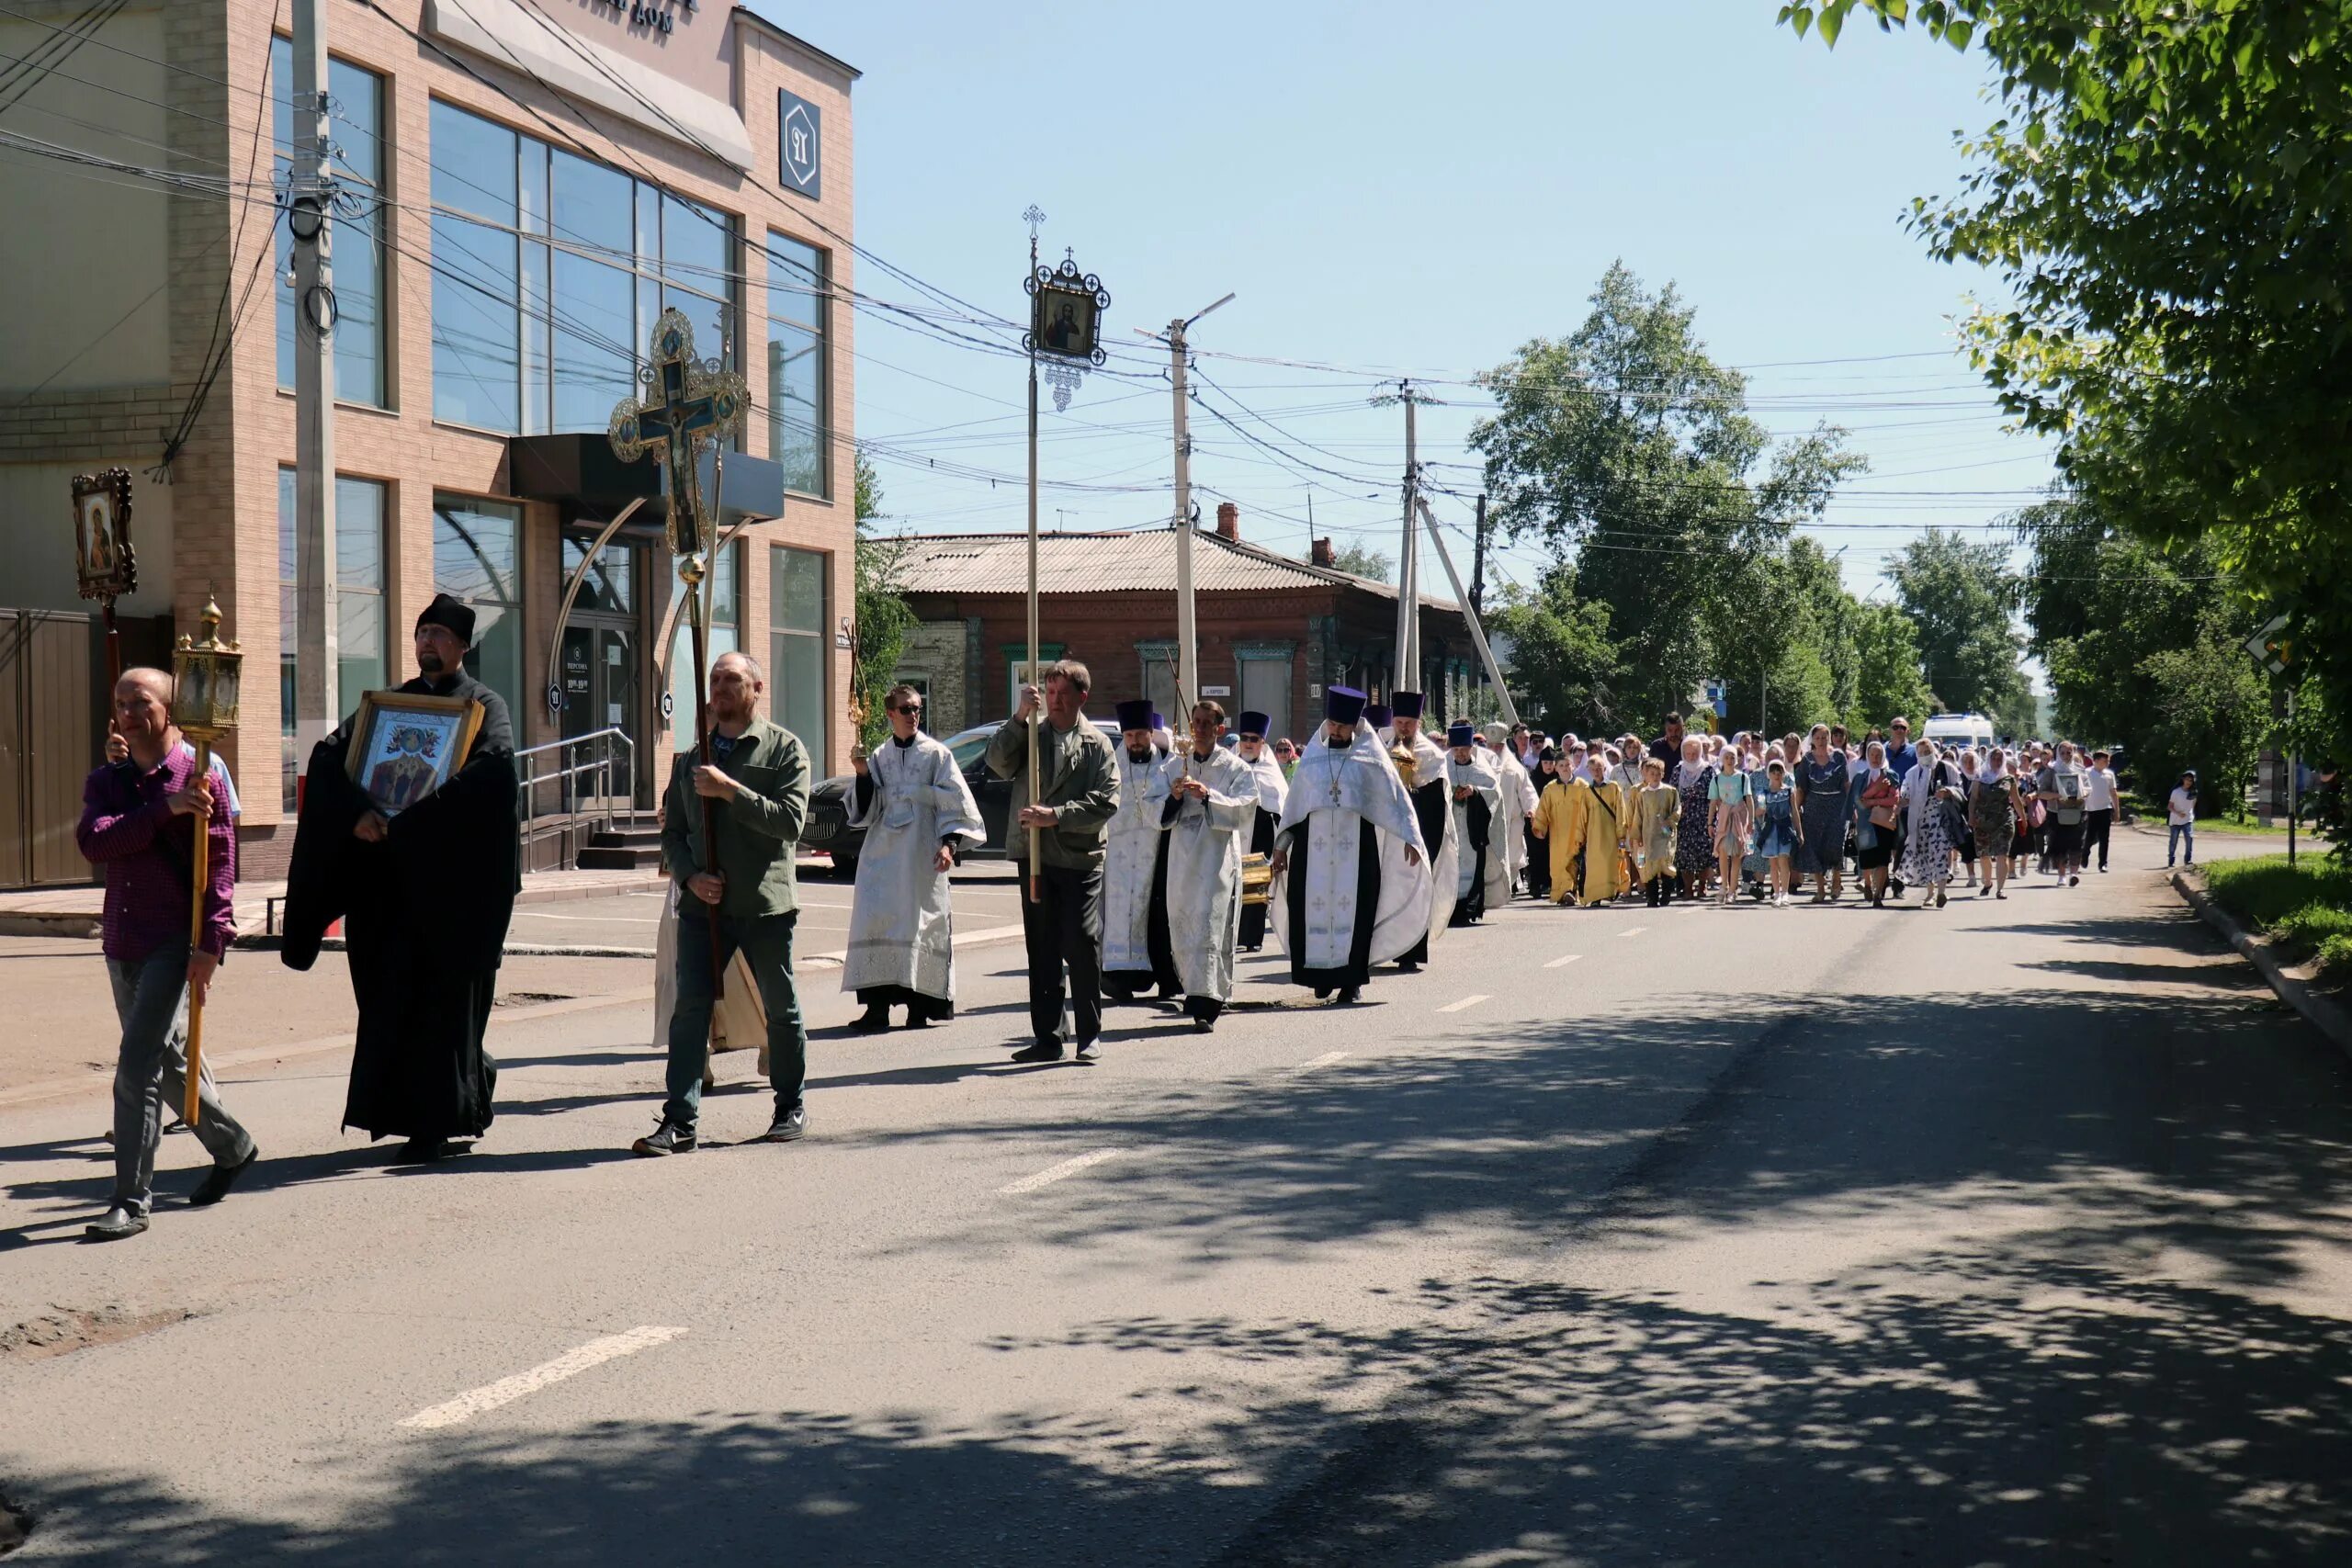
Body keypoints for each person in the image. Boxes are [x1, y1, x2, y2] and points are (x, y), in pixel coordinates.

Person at [283, 593, 518, 1163]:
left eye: (441, 634)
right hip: (387, 892)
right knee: (390, 1001)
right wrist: (355, 815)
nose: (428, 643)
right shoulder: (389, 707)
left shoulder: (484, 706)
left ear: (462, 646)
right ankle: (402, 1112)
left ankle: (438, 1122)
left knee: (445, 1008)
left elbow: (493, 776)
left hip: (450, 895)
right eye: (422, 633)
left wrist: (409, 823)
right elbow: (326, 758)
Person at [75, 669, 259, 1241]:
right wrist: (162, 811)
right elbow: (95, 842)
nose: (131, 711)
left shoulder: (201, 775)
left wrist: (212, 945)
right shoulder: (109, 781)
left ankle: (130, 1200)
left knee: (135, 1069)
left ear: (171, 707)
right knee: (172, 1061)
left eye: (142, 701)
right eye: (121, 701)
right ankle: (234, 1146)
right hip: (121, 941)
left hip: (172, 943)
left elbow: (222, 867)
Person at [628, 651, 813, 1154]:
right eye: (715, 680)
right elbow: (674, 833)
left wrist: (732, 790)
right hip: (702, 909)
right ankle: (679, 1122)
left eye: (733, 680)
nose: (722, 688)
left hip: (763, 905)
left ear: (757, 688)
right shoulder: (692, 758)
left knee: (781, 1009)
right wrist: (690, 877)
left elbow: (791, 823)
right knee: (689, 1012)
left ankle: (789, 1104)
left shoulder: (784, 751)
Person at [989, 660, 1118, 1063]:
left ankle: (1089, 1034)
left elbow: (1107, 801)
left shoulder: (1097, 744)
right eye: (1049, 692)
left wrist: (1057, 814)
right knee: (1041, 947)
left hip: (1080, 857)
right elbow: (997, 762)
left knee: (1081, 942)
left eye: (1063, 693)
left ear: (1082, 695)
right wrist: (1018, 717)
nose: (1055, 701)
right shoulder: (1030, 736)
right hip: (1036, 855)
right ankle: (1048, 1037)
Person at [1267, 687, 1428, 1004]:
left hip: (1357, 854)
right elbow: (1295, 810)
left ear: (1354, 725)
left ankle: (1350, 981)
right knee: (1309, 912)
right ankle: (1319, 976)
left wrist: (1410, 838)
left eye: (1342, 725)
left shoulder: (1370, 759)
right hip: (1312, 854)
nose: (1336, 730)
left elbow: (1394, 801)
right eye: (1332, 724)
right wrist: (1281, 847)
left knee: (1357, 914)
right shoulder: (1312, 759)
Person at [842, 684, 984, 1032]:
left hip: (922, 857)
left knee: (921, 925)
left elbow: (957, 802)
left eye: (917, 708)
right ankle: (876, 1010)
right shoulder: (878, 757)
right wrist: (862, 774)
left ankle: (919, 1008)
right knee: (876, 922)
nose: (913, 714)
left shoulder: (937, 755)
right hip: (882, 857)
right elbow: (864, 810)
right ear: (891, 714)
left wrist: (949, 844)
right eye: (905, 709)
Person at [1158, 702, 1259, 1030]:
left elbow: (1246, 807)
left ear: (1218, 728)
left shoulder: (1234, 768)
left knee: (1211, 926)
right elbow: (1152, 809)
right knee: (1184, 923)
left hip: (1216, 859)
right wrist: (1173, 797)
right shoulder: (1175, 764)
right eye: (1196, 722)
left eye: (1207, 724)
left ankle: (1209, 1002)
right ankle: (1192, 991)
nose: (1200, 728)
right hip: (1182, 858)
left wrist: (1209, 796)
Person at [1099, 699, 1179, 1005]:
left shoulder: (1169, 766)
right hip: (1118, 856)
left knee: (1159, 916)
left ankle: (1167, 979)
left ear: (1150, 732)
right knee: (1118, 916)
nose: (1134, 741)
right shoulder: (1111, 768)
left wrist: (1173, 799)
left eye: (1140, 735)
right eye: (1129, 735)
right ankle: (1119, 979)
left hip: (1156, 853)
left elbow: (1174, 805)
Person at [1385, 693, 1455, 969]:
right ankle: (1380, 949)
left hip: (1417, 838)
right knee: (1386, 893)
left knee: (1415, 894)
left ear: (1419, 723)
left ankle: (1410, 955)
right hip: (1387, 836)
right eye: (1399, 722)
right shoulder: (1381, 750)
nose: (1404, 728)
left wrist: (1420, 842)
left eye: (1409, 723)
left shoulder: (1432, 757)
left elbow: (1435, 808)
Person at [1233, 711, 1288, 952]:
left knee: (1255, 884)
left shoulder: (1270, 770)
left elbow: (1280, 801)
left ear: (1262, 743)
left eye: (1254, 739)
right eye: (1245, 737)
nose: (1248, 743)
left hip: (1260, 832)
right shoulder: (1230, 765)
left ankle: (1251, 937)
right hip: (1233, 831)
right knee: (1232, 884)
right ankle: (1232, 934)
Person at [1446, 723, 1506, 924]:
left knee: (1472, 869)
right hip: (1452, 828)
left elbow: (1494, 792)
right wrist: (1451, 792)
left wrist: (1475, 791)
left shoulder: (1480, 768)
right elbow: (1438, 789)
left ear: (1471, 748)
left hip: (1473, 829)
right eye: (1456, 750)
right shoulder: (1444, 767)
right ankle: (1450, 910)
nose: (1460, 754)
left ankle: (1468, 910)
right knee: (1451, 868)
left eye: (1464, 750)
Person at [1558, 750, 1629, 908]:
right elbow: (1582, 815)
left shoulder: (1613, 788)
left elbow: (1620, 811)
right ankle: (1595, 896)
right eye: (1593, 769)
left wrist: (1621, 833)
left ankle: (1609, 892)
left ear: (1604, 769)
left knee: (1609, 863)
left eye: (1599, 768)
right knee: (1594, 865)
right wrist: (1579, 836)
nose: (1596, 772)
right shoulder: (1587, 791)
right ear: (1589, 771)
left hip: (1610, 832)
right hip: (1593, 834)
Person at [1899, 739, 1963, 908]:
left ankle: (1941, 892)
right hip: (1921, 819)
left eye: (1926, 751)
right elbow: (1905, 791)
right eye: (1920, 753)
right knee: (1925, 854)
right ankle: (1930, 893)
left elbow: (1959, 786)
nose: (1924, 755)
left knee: (1941, 851)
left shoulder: (1946, 768)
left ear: (1933, 751)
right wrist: (1903, 799)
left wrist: (1948, 792)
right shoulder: (1912, 773)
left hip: (1941, 817)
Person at [1793, 725, 1849, 904]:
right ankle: (1819, 888)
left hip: (1836, 806)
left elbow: (1846, 784)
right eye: (1817, 738)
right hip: (1814, 806)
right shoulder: (1807, 760)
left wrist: (1852, 807)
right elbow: (1801, 788)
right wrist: (1795, 811)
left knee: (1835, 844)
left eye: (1824, 737)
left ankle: (1836, 879)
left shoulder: (1839, 757)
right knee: (1812, 846)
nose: (1821, 741)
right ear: (1812, 740)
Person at [1483, 722, 1538, 899]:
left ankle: (1505, 890)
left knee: (1511, 858)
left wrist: (1532, 809)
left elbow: (1527, 790)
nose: (1493, 750)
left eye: (1497, 746)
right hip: (1485, 820)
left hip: (1510, 821)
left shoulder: (1514, 768)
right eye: (1490, 746)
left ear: (1503, 746)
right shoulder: (1480, 763)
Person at [1971, 747, 2026, 900]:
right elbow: (1974, 799)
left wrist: (2023, 818)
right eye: (1994, 758)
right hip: (1983, 821)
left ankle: (2000, 889)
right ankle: (1988, 883)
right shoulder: (1980, 777)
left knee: (2002, 854)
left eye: (1999, 759)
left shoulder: (2008, 779)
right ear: (1988, 760)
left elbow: (2016, 800)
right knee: (1984, 855)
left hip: (2004, 820)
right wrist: (1971, 816)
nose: (1996, 761)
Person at [2035, 741, 2089, 887]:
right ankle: (2061, 875)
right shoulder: (2051, 770)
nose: (2066, 755)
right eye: (2063, 752)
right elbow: (2041, 793)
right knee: (2059, 845)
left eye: (2069, 752)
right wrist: (2057, 795)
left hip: (2077, 812)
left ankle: (2073, 874)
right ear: (2058, 753)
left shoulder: (2080, 769)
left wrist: (2081, 793)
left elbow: (2088, 788)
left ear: (2073, 752)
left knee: (2077, 844)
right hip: (2056, 813)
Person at [1853, 740, 1900, 908]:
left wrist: (1872, 800)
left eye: (1879, 754)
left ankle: (1878, 894)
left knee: (1882, 860)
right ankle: (1867, 884)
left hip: (1884, 822)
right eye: (1872, 754)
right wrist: (1878, 788)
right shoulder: (1861, 777)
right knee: (1866, 858)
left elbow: (1894, 799)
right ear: (1867, 756)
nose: (1875, 758)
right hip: (1866, 823)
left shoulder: (1892, 775)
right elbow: (1859, 802)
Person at [1631, 755, 1679, 908]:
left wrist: (1670, 821)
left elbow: (1677, 809)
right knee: (1649, 865)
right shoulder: (1643, 794)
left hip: (1665, 834)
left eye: (1659, 773)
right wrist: (1637, 835)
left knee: (1665, 862)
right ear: (1646, 775)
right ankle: (1652, 897)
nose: (1655, 777)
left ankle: (1666, 894)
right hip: (1648, 834)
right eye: (1652, 773)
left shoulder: (1670, 791)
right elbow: (1638, 815)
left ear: (1663, 774)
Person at [1672, 737, 1715, 903]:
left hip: (1703, 817)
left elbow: (1713, 795)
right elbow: (1673, 793)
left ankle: (1702, 884)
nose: (1691, 756)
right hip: (1683, 819)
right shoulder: (1678, 770)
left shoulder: (1708, 770)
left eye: (1694, 753)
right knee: (1684, 855)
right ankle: (1688, 887)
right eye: (1688, 753)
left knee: (1704, 854)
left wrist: (1712, 819)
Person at [1709, 746, 1753, 908]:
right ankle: (1724, 886)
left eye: (1733, 757)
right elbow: (1713, 802)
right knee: (1722, 852)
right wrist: (1710, 823)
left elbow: (1749, 799)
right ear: (1722, 759)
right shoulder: (1716, 779)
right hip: (1724, 820)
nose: (1730, 760)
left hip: (1739, 819)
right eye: (1727, 757)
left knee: (1736, 855)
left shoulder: (1743, 778)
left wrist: (1751, 822)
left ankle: (1732, 890)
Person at [1883, 716, 1917, 898]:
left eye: (1902, 728)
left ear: (1907, 731)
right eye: (1896, 727)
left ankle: (1898, 883)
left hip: (1905, 806)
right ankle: (1879, 883)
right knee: (1884, 844)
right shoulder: (1881, 751)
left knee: (1902, 843)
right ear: (1890, 729)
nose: (1899, 730)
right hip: (1884, 804)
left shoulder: (1913, 752)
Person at [1756, 759, 1797, 906]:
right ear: (1769, 774)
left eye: (1779, 771)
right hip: (1770, 830)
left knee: (1783, 860)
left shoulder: (1789, 791)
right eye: (1773, 771)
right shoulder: (1764, 793)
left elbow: (1795, 812)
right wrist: (1758, 811)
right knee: (1773, 863)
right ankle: (1776, 893)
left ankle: (1785, 893)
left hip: (1785, 828)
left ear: (1783, 773)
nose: (1776, 774)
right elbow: (1759, 810)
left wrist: (1799, 832)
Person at [1523, 745, 1560, 901]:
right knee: (1537, 854)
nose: (1549, 766)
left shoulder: (1558, 780)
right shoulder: (1534, 778)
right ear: (1541, 763)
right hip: (1537, 821)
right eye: (1545, 763)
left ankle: (1552, 883)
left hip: (1555, 822)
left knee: (1552, 853)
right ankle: (1535, 885)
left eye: (1551, 763)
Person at [2083, 750, 2118, 873]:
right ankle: (2084, 855)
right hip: (2090, 810)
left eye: (2108, 761)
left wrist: (2116, 811)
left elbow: (2113, 793)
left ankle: (2103, 863)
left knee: (2104, 838)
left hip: (2105, 809)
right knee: (2089, 837)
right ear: (2096, 761)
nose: (2107, 763)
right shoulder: (2086, 772)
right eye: (2105, 760)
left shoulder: (2109, 774)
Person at [2167, 770, 2198, 867]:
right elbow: (2170, 806)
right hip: (2175, 821)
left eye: (2191, 780)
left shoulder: (2193, 793)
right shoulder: (2176, 792)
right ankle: (2171, 860)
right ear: (2183, 779)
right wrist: (2178, 813)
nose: (2189, 782)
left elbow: (2192, 805)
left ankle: (2188, 860)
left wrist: (2189, 814)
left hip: (2188, 820)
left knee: (2189, 838)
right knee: (2173, 841)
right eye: (2187, 779)